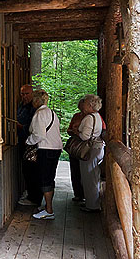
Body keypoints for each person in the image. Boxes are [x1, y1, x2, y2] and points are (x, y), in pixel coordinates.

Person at [26, 90, 62, 220]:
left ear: (36, 101)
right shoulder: (51, 113)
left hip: (46, 149)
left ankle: (49, 210)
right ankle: (47, 206)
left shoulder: (40, 114)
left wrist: (28, 141)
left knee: (45, 178)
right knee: (49, 177)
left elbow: (39, 135)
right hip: (55, 148)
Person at [77, 94, 105, 213]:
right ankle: (91, 202)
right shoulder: (97, 116)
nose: (83, 105)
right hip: (98, 147)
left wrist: (76, 132)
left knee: (90, 177)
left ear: (90, 105)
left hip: (90, 149)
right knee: (94, 176)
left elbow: (85, 136)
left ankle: (92, 205)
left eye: (85, 103)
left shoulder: (89, 118)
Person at [16, 84, 40, 207]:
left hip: (31, 143)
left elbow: (35, 128)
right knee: (26, 170)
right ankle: (31, 193)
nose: (24, 96)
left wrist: (22, 127)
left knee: (32, 170)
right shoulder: (21, 105)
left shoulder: (35, 109)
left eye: (26, 94)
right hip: (21, 141)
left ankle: (34, 197)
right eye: (22, 94)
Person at [66, 101, 87, 203]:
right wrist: (73, 131)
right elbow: (68, 130)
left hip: (86, 148)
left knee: (85, 171)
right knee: (75, 170)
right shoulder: (76, 116)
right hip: (75, 147)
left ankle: (86, 194)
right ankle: (77, 193)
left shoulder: (92, 117)